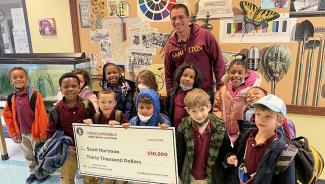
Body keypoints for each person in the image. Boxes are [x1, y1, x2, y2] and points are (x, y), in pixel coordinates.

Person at [226, 94, 296, 184]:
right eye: (258, 114)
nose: (261, 119)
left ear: (280, 121)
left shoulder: (284, 151)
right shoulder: (246, 136)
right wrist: (231, 157)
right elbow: (234, 153)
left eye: (268, 116)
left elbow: (287, 180)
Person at [164, 3, 225, 95]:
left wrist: (221, 89)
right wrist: (170, 96)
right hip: (181, 95)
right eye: (174, 18)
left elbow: (218, 63)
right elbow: (169, 75)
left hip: (204, 94)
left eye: (181, 17)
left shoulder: (205, 35)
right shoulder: (170, 46)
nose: (177, 21)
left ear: (188, 18)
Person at [46, 72, 96, 184]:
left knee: (90, 179)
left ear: (79, 87)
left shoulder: (87, 105)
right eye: (66, 87)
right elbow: (50, 134)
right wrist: (64, 147)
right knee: (67, 179)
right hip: (67, 152)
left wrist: (91, 123)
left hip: (87, 150)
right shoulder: (56, 110)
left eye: (74, 86)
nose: (70, 89)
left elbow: (96, 124)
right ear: (61, 89)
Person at [3, 67, 48, 184]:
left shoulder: (34, 94)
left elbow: (42, 116)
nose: (18, 79)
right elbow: (8, 117)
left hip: (36, 133)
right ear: (11, 81)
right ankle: (33, 172)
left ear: (27, 79)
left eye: (21, 77)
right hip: (21, 133)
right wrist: (13, 134)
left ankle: (42, 171)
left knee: (40, 153)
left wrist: (43, 132)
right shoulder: (11, 97)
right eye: (15, 78)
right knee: (27, 154)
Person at [176, 88, 228, 184]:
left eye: (202, 110)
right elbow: (179, 153)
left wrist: (229, 157)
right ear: (187, 110)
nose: (199, 115)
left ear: (209, 106)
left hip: (212, 178)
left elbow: (225, 152)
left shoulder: (220, 127)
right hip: (189, 177)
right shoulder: (183, 127)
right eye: (194, 111)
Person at [83, 89, 128, 184]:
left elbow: (128, 133)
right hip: (105, 156)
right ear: (98, 103)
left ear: (115, 103)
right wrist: (88, 124)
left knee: (121, 180)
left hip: (120, 156)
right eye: (103, 102)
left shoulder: (119, 115)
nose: (106, 105)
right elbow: (90, 136)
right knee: (108, 180)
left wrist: (120, 126)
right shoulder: (96, 116)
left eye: (110, 102)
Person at [213, 58, 261, 144]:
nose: (236, 75)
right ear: (228, 73)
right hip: (224, 132)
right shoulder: (223, 90)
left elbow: (257, 109)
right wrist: (220, 124)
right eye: (233, 72)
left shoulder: (251, 91)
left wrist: (254, 101)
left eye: (240, 72)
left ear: (246, 74)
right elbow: (216, 108)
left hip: (242, 134)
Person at [165, 63, 203, 129]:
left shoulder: (198, 95)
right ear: (179, 76)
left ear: (195, 80)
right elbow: (166, 111)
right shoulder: (172, 92)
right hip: (174, 130)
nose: (187, 79)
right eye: (185, 75)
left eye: (191, 77)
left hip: (190, 133)